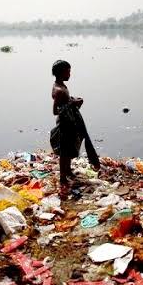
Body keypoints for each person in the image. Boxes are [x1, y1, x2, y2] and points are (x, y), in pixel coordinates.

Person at [50, 60, 100, 197]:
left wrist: (72, 100)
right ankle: (62, 177)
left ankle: (68, 171)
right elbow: (55, 110)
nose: (70, 74)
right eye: (68, 71)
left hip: (70, 122)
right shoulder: (59, 90)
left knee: (70, 147)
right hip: (65, 124)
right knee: (64, 152)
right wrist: (73, 103)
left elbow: (65, 102)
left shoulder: (62, 86)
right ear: (61, 72)